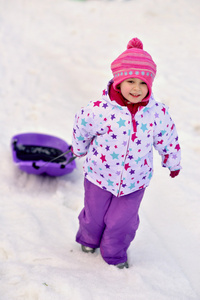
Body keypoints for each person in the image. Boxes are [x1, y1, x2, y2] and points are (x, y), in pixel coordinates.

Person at [71, 37, 181, 269]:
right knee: (94, 215)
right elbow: (82, 127)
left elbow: (168, 137)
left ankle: (114, 253)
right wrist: (79, 148)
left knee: (122, 222)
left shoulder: (156, 114)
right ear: (118, 82)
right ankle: (89, 239)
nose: (137, 88)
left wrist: (172, 161)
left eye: (143, 83)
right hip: (98, 176)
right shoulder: (99, 110)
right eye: (130, 81)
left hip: (134, 181)